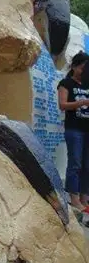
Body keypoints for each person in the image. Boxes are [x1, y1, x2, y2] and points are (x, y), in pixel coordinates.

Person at [57, 51, 89, 212]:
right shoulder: (66, 83)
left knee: (87, 165)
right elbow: (62, 105)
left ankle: (85, 200)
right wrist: (82, 102)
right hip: (74, 129)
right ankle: (74, 199)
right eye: (84, 67)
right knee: (75, 163)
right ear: (75, 67)